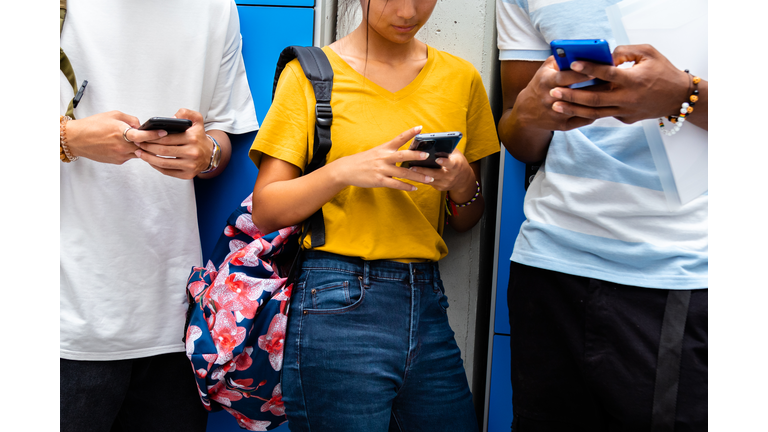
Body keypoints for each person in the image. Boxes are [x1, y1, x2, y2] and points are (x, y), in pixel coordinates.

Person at [247, 0, 500, 430]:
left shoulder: (461, 79)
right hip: (336, 298)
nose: (408, 11)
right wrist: (344, 170)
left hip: (428, 301)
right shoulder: (311, 74)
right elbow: (267, 209)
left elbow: (466, 218)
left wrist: (461, 184)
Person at [495, 1, 708, 431]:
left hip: (681, 271)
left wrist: (685, 94)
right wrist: (529, 115)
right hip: (549, 262)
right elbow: (519, 137)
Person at [59, 1, 259, 431]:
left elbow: (222, 133)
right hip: (60, 325)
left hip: (175, 323)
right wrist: (68, 137)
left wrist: (206, 154)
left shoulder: (215, 7)